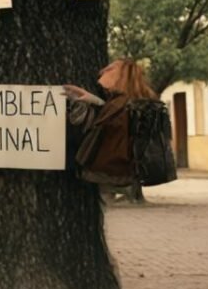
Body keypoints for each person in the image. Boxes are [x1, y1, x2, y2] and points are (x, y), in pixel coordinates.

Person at [63, 58, 156, 191]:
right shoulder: (129, 102)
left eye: (111, 69)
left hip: (114, 169)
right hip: (122, 170)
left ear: (121, 76)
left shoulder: (122, 103)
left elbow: (113, 122)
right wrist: (94, 100)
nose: (103, 72)